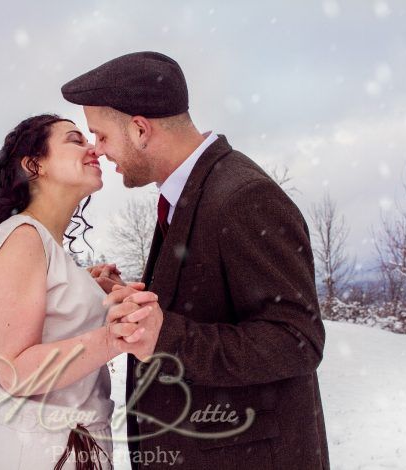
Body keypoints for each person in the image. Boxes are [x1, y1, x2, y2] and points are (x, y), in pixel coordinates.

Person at [61, 51, 331, 469]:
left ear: (139, 129)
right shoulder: (190, 191)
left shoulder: (242, 197)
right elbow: (209, 300)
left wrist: (164, 336)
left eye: (101, 136)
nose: (99, 151)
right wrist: (135, 300)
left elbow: (296, 340)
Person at [0, 114, 155, 469]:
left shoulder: (44, 246)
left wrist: (88, 287)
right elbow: (15, 371)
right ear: (34, 164)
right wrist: (113, 339)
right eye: (75, 140)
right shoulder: (23, 238)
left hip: (65, 448)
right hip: (37, 453)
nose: (93, 150)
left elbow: (53, 319)